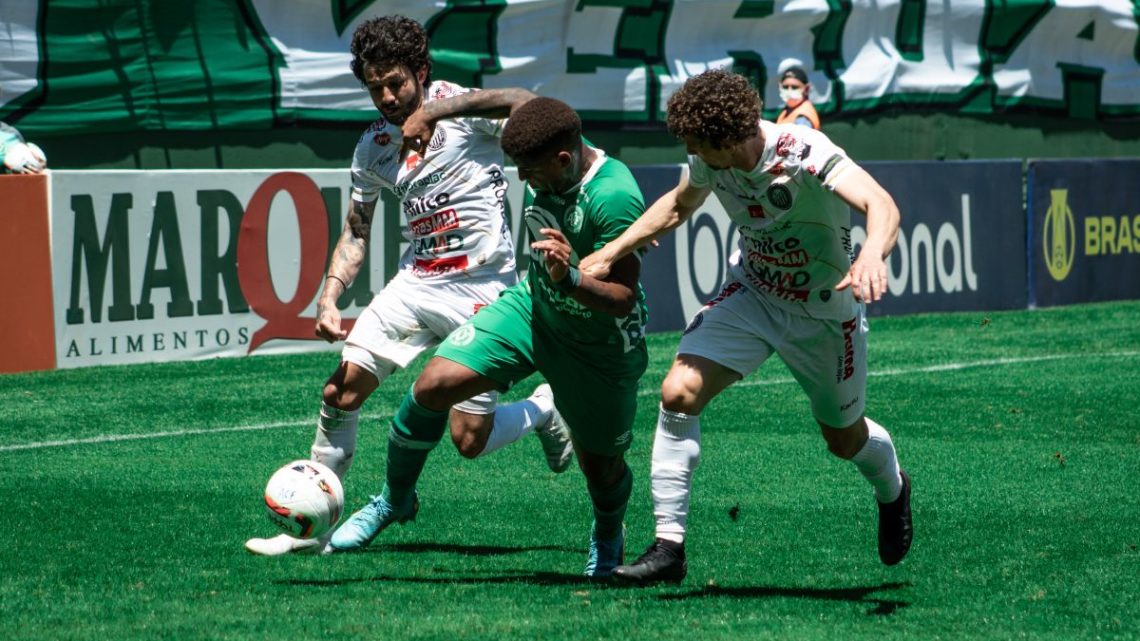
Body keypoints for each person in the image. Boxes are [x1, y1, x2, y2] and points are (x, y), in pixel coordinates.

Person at [245, 16, 574, 556]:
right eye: (375, 87)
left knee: (470, 440)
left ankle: (542, 410)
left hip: (484, 288)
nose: (387, 97)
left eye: (396, 82)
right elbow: (356, 231)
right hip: (416, 283)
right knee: (339, 391)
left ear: (421, 71)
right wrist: (328, 296)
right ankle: (314, 529)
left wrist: (435, 111)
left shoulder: (464, 111)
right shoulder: (373, 145)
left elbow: (529, 106)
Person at [580, 69, 911, 585]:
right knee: (678, 392)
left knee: (843, 439)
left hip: (825, 311)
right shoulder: (708, 159)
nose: (690, 151)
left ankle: (893, 488)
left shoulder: (803, 150)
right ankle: (669, 548)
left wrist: (871, 252)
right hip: (753, 293)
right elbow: (679, 204)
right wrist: (611, 252)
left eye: (695, 143)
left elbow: (881, 204)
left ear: (726, 139)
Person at [327, 96, 650, 578]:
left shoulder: (614, 195)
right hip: (533, 309)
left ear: (563, 160)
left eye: (530, 170)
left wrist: (571, 279)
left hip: (600, 342)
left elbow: (623, 297)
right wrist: (434, 113)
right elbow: (527, 103)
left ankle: (607, 534)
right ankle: (394, 501)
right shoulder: (555, 148)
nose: (522, 180)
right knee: (433, 386)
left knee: (601, 468)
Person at [774, 65, 820, 130]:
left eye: (794, 87)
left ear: (806, 89)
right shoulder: (789, 109)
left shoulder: (803, 118)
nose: (789, 91)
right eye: (785, 87)